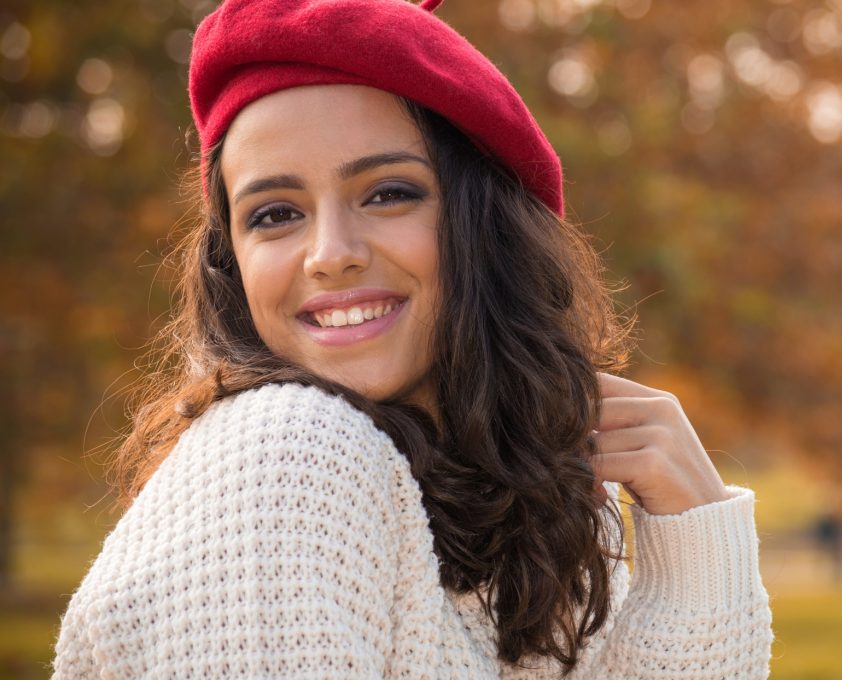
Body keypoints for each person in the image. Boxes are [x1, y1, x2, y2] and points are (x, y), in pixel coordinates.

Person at [52, 0, 773, 677]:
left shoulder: (515, 509)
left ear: (483, 226)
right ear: (231, 262)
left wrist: (696, 545)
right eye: (274, 214)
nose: (330, 253)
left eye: (388, 193)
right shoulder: (287, 453)